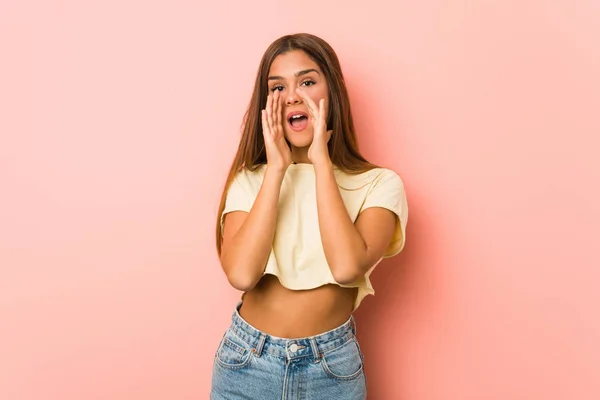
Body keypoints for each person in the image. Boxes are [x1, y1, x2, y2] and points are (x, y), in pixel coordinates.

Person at [210, 33, 408, 399]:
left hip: (331, 370)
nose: (292, 96)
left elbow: (347, 268)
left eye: (307, 81)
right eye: (277, 87)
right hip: (246, 362)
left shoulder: (379, 184)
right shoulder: (250, 180)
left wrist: (321, 163)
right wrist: (276, 171)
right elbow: (240, 274)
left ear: (331, 91)